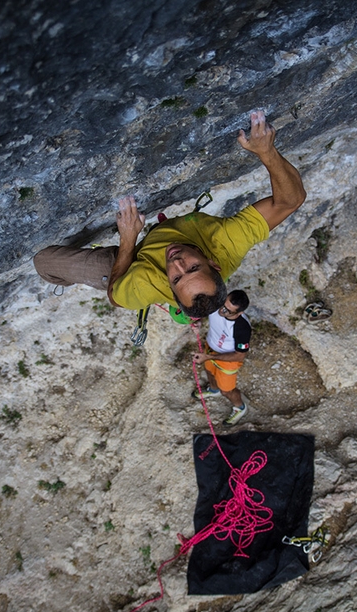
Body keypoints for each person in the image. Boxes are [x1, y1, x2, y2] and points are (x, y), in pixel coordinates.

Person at [34, 111, 306, 319]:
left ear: (170, 291)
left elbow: (115, 297)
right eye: (193, 267)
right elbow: (290, 201)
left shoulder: (146, 284)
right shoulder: (227, 242)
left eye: (176, 278)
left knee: (43, 261)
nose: (176, 263)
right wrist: (267, 152)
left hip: (125, 263)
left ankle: (65, 279)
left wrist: (128, 240)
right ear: (214, 263)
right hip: (152, 244)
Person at [192, 289, 251, 426]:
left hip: (228, 360)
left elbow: (240, 355)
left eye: (228, 311)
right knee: (209, 372)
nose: (222, 311)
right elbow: (206, 312)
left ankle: (239, 407)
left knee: (227, 390)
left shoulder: (242, 328)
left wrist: (209, 357)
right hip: (210, 349)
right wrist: (199, 322)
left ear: (239, 313)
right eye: (224, 305)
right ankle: (213, 390)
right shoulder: (216, 304)